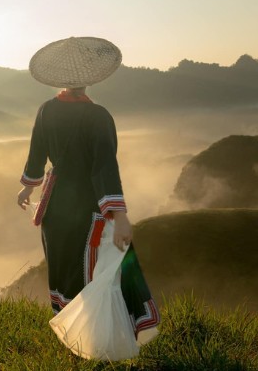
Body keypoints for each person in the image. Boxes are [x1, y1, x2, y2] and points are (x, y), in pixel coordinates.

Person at [16, 37, 160, 339]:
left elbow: (36, 156)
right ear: (91, 78)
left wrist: (28, 189)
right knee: (94, 270)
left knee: (63, 268)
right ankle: (98, 337)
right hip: (87, 206)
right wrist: (119, 216)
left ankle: (72, 334)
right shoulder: (98, 117)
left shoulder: (46, 110)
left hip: (53, 207)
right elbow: (104, 167)